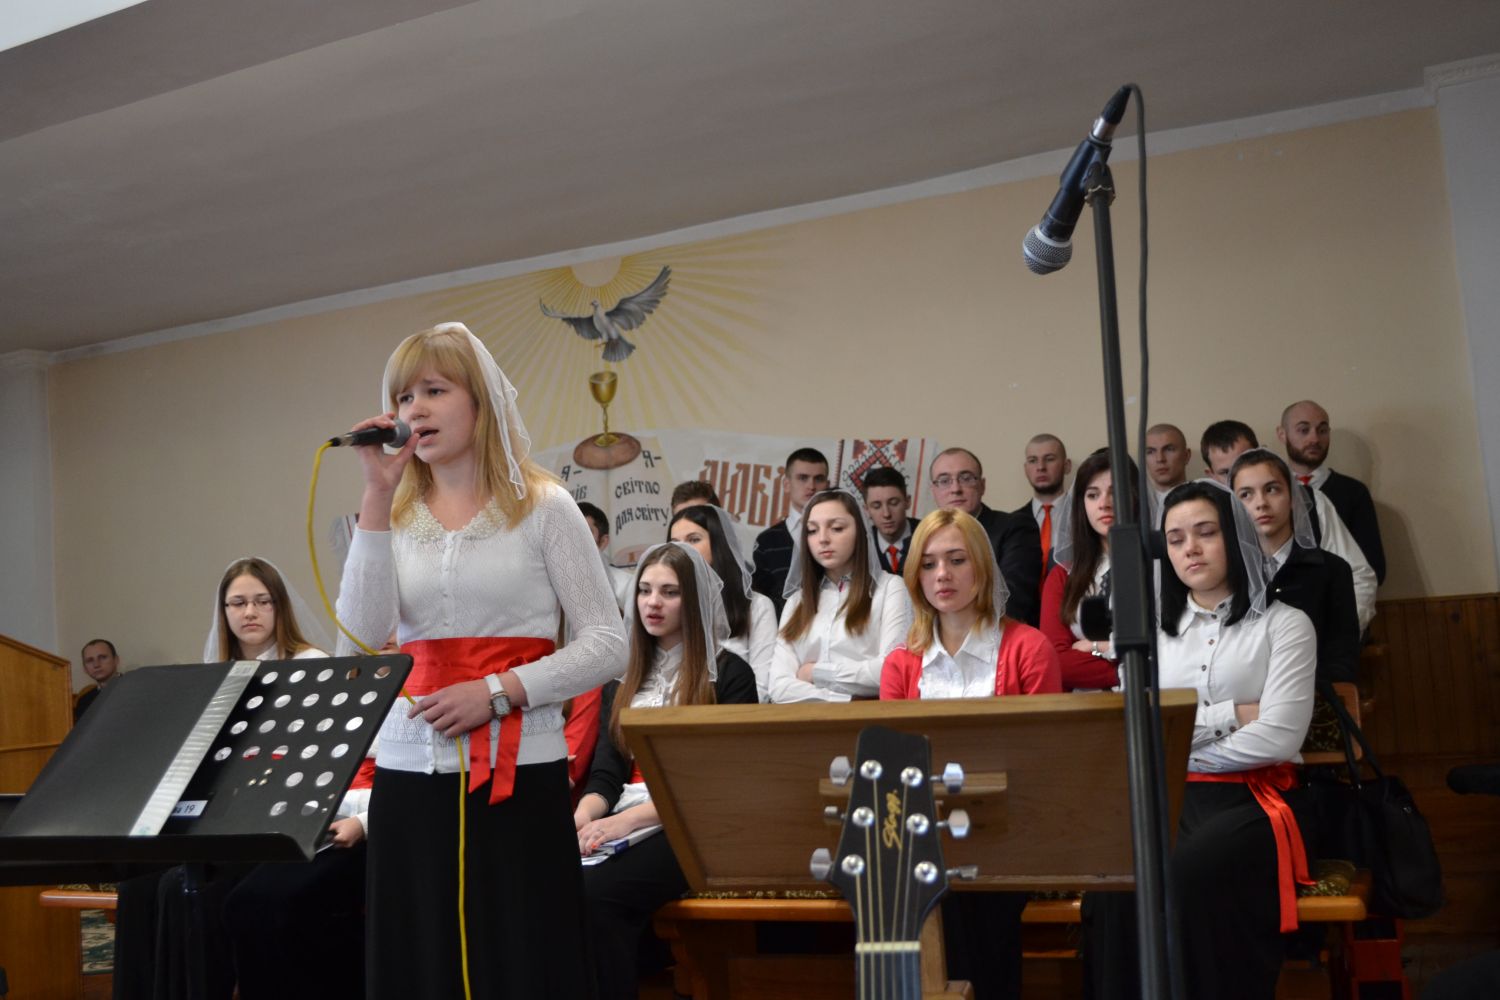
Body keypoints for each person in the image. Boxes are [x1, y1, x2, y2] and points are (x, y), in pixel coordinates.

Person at [336, 322, 626, 998]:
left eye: (434, 390)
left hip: (518, 773)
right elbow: (360, 640)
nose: (415, 409)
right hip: (409, 771)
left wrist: (498, 691)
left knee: (521, 955)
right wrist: (375, 495)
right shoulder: (391, 514)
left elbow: (607, 644)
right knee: (422, 958)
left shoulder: (544, 506)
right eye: (404, 397)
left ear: (481, 400)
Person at [1084, 480, 1318, 1000]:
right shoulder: (1149, 635)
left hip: (1255, 797)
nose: (1190, 548)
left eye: (1206, 533)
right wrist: (1232, 715)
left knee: (1188, 870)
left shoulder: (1285, 625)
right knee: (1116, 875)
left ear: (1234, 537)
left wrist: (1173, 739)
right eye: (1175, 539)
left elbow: (1278, 737)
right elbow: (1130, 727)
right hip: (1168, 795)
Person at [115, 557, 330, 1000]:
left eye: (262, 601)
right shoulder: (215, 673)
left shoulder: (310, 663)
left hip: (280, 812)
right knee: (136, 887)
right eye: (238, 603)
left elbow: (318, 753)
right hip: (220, 812)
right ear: (224, 611)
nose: (250, 612)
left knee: (187, 887)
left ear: (279, 606)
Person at [880, 507, 1059, 999]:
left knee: (979, 898)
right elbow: (895, 765)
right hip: (926, 826)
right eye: (929, 564)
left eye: (956, 560)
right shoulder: (900, 663)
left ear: (982, 566)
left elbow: (1044, 760)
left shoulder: (1029, 648)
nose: (942, 574)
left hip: (1010, 823)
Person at [575, 542, 757, 1000]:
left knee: (596, 895)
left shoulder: (730, 675)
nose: (652, 603)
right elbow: (607, 773)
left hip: (697, 827)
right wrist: (581, 817)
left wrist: (623, 821)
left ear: (692, 601)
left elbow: (720, 784)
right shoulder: (622, 676)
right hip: (627, 817)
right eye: (645, 590)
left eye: (669, 592)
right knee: (552, 881)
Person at [1200, 424, 1376, 631]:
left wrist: (1342, 632)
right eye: (1226, 472)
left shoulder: (1314, 503)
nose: (1260, 502)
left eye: (1248, 459)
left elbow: (1359, 577)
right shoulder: (1208, 525)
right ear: (1212, 475)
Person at [768, 489, 911, 703]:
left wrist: (815, 673)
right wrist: (845, 700)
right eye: (812, 530)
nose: (823, 539)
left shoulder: (890, 588)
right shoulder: (797, 601)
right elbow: (778, 686)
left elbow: (892, 671)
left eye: (836, 528)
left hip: (871, 718)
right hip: (808, 719)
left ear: (860, 531)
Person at [1039, 449, 1132, 690]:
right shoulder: (1063, 575)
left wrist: (1095, 646)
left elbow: (1167, 652)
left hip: (1155, 701)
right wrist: (1129, 674)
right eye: (1093, 495)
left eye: (1115, 493)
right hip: (1088, 704)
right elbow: (1055, 661)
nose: (1104, 504)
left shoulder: (1159, 565)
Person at [668, 503, 777, 701]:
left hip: (737, 712)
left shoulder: (757, 606)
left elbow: (762, 688)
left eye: (693, 540)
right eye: (674, 543)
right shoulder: (668, 605)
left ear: (718, 544)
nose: (683, 549)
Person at [929, 447, 1043, 626]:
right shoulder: (926, 539)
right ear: (933, 490)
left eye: (966, 478)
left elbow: (1012, 600)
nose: (955, 489)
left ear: (982, 485)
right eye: (944, 481)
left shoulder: (1016, 527)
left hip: (999, 634)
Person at [1277, 399, 1386, 584]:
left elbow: (1374, 568)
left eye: (1322, 430)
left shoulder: (1354, 492)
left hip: (1345, 597)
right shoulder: (1270, 494)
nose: (1314, 439)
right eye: (1303, 430)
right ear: (1282, 434)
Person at [751, 447, 830, 617]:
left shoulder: (840, 537)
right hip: (779, 629)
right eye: (803, 478)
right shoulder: (766, 541)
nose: (811, 486)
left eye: (819, 479)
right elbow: (761, 603)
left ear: (827, 485)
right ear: (786, 484)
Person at [1016, 433, 1071, 567]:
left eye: (1050, 459)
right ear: (1025, 469)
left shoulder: (1084, 515)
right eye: (1033, 460)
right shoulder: (1013, 523)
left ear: (1067, 466)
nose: (1041, 467)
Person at [578, 499, 634, 612]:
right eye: (569, 532)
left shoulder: (626, 586)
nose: (575, 539)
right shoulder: (550, 582)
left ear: (603, 542)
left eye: (585, 532)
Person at [861, 465, 918, 575]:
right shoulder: (861, 546)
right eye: (877, 506)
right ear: (866, 510)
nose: (886, 514)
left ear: (907, 502)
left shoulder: (929, 535)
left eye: (893, 503)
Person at [1145, 423, 1192, 523]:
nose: (1160, 459)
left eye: (1169, 449)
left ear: (1186, 456)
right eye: (1150, 452)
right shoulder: (1136, 507)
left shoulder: (1206, 499)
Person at [74, 638, 121, 721]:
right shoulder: (83, 701)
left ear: (116, 660)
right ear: (84, 668)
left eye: (102, 657)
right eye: (89, 660)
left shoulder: (134, 687)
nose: (96, 665)